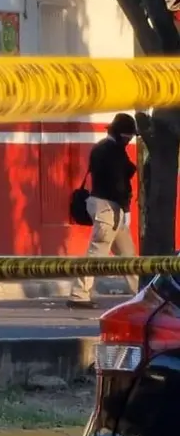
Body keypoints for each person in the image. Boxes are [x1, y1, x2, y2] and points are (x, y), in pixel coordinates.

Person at [67, 113, 139, 309]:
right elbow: (118, 184)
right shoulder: (113, 152)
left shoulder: (101, 147)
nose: (129, 140)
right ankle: (79, 295)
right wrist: (126, 208)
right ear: (120, 134)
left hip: (103, 205)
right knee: (96, 253)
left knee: (127, 255)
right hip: (109, 208)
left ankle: (142, 294)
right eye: (128, 136)